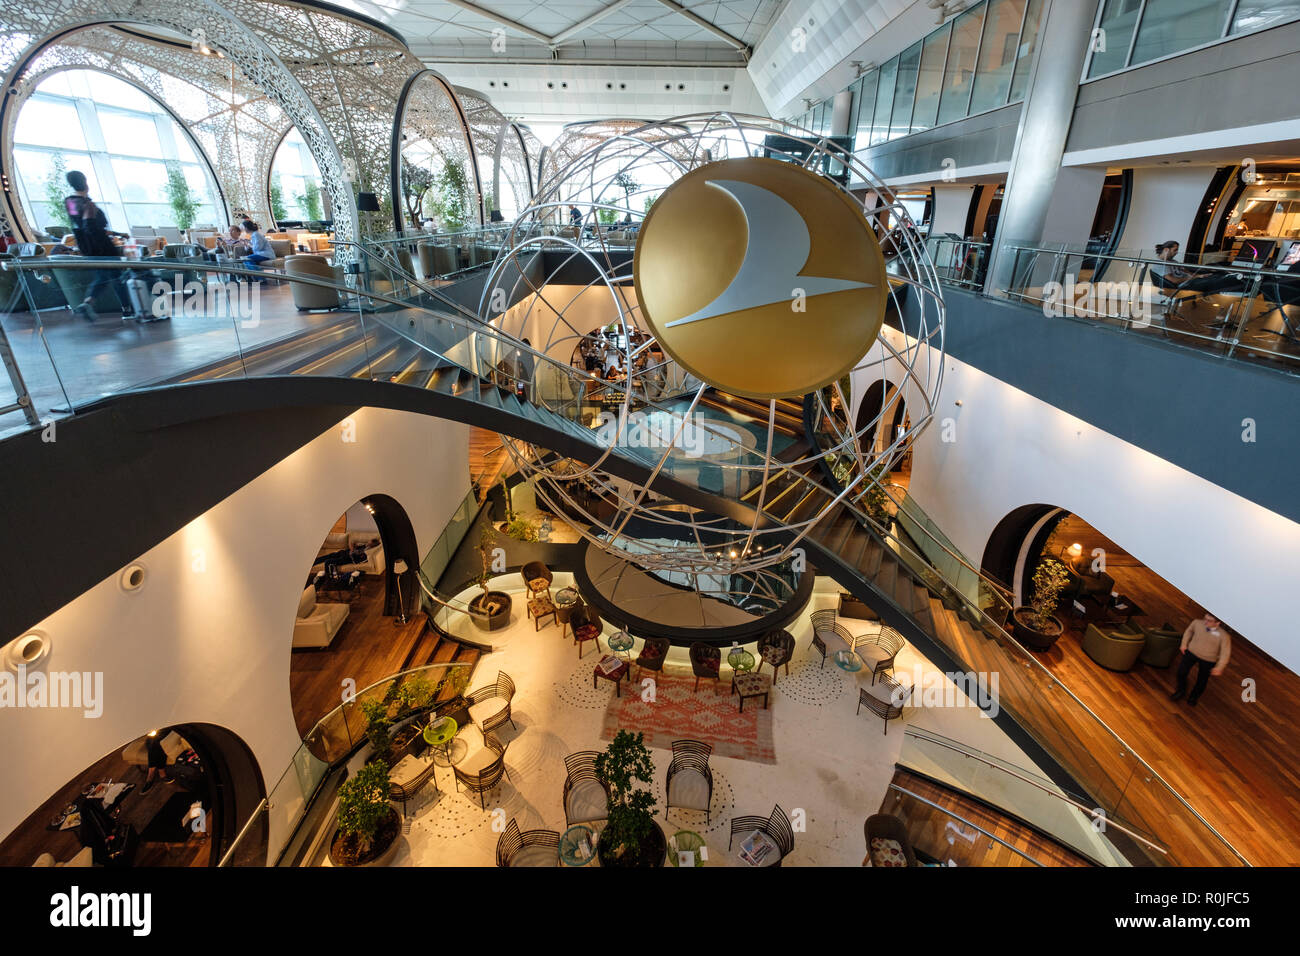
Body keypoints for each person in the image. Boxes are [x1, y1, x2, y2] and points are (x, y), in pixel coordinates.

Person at [63, 170, 135, 320]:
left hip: (87, 248)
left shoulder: (70, 202)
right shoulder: (87, 204)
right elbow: (91, 227)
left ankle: (88, 302)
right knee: (116, 276)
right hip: (102, 247)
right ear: (85, 182)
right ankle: (128, 309)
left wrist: (115, 234)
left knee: (102, 276)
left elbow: (82, 227)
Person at [1170, 611, 1231, 706]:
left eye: (1209, 621)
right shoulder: (1197, 623)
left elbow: (1225, 653)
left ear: (1218, 623)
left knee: (1202, 680)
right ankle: (1181, 691)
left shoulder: (1224, 636)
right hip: (1191, 652)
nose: (1205, 622)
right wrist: (1184, 644)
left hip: (1209, 660)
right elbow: (1188, 632)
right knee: (1181, 672)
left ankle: (1193, 697)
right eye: (1205, 618)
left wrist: (1220, 667)